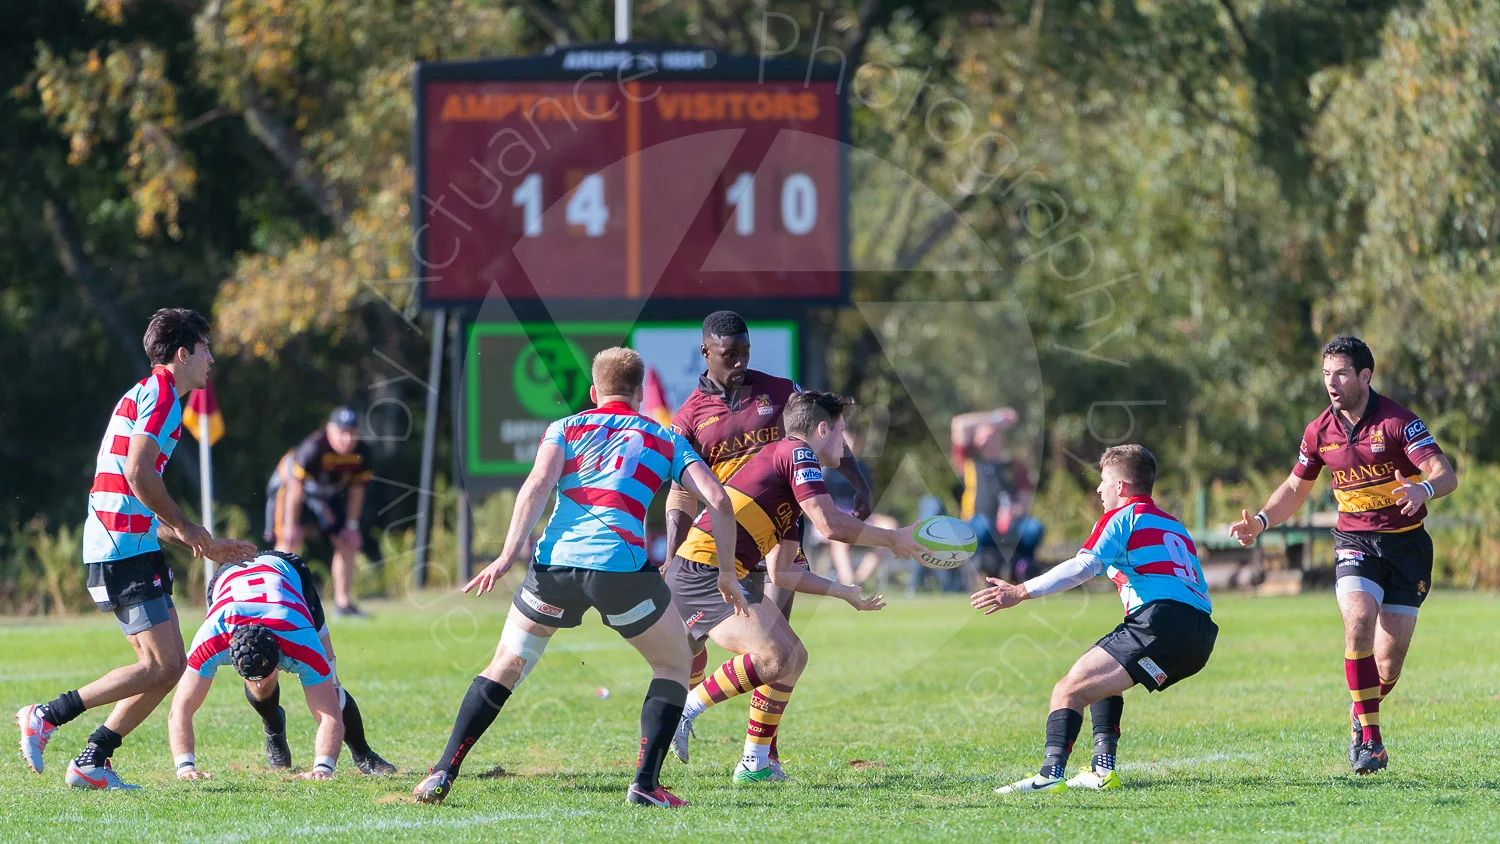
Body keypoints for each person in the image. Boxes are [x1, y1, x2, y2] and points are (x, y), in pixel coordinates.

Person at [412, 347, 743, 808]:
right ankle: (645, 786)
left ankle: (441, 772)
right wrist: (726, 571)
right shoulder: (665, 438)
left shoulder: (564, 427)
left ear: (594, 392)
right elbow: (719, 501)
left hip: (555, 568)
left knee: (505, 665)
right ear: (640, 394)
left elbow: (537, 485)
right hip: (621, 572)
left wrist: (507, 555)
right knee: (673, 665)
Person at [16, 308, 257, 790]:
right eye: (205, 348)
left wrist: (200, 540)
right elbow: (138, 473)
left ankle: (93, 759)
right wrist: (187, 526)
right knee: (160, 665)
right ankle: (46, 715)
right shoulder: (164, 395)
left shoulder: (153, 394)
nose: (212, 357)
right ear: (183, 354)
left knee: (168, 667)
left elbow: (133, 492)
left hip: (130, 542)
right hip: (120, 548)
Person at [667, 390, 921, 783]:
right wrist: (892, 538)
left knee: (794, 657)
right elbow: (832, 525)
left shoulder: (792, 487)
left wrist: (843, 591)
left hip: (723, 570)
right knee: (771, 658)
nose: (844, 442)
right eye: (841, 432)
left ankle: (755, 765)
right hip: (701, 571)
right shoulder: (796, 452)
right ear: (822, 428)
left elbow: (783, 573)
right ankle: (687, 708)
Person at [1230, 336, 1457, 775]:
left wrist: (1423, 489)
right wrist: (1260, 521)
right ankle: (1370, 740)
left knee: (1388, 663)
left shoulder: (1397, 422)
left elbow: (1443, 473)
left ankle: (1361, 711)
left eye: (1341, 374)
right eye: (1325, 375)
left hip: (1407, 548)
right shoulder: (1319, 431)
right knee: (1357, 620)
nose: (1331, 383)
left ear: (1364, 376)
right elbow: (1296, 489)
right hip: (1355, 543)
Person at [665, 310, 873, 774]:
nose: (739, 363)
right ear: (706, 353)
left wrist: (859, 483)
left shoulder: (780, 391)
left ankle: (759, 754)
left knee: (782, 650)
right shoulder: (689, 417)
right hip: (722, 544)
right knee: (731, 651)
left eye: (745, 353)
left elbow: (826, 432)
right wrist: (668, 552)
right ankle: (688, 716)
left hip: (779, 534)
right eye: (729, 355)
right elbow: (679, 491)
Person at [974, 444, 1216, 795]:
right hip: (1201, 635)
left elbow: (1083, 566)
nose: (1099, 489)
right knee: (1102, 679)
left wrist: (1020, 591)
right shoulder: (1174, 525)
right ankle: (1103, 770)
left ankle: (1049, 775)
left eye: (1104, 481)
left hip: (1161, 620)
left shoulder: (1122, 517)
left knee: (1067, 690)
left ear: (1121, 486)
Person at [169, 550, 396, 780]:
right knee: (259, 689)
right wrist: (185, 767)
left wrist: (322, 769)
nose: (264, 681)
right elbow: (180, 709)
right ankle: (274, 729)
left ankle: (363, 753)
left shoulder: (301, 640)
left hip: (288, 572)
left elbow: (330, 716)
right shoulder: (211, 638)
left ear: (280, 654)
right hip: (227, 576)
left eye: (270, 673)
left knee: (333, 684)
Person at [264, 406, 373, 617]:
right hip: (291, 490)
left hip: (325, 495)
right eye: (342, 432)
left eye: (351, 432)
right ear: (330, 430)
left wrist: (352, 526)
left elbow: (357, 489)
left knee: (347, 540)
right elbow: (296, 488)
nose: (346, 439)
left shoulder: (361, 452)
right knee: (288, 541)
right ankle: (278, 601)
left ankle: (343, 604)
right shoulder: (314, 448)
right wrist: (291, 525)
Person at [951, 407, 1043, 586]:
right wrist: (994, 418)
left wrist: (1017, 510)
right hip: (976, 520)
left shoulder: (1015, 466)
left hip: (1010, 522)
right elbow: (959, 425)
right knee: (983, 527)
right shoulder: (970, 461)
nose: (986, 439)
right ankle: (984, 569)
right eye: (982, 435)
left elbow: (1024, 501)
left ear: (1000, 438)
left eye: (991, 434)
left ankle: (1022, 568)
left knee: (1033, 528)